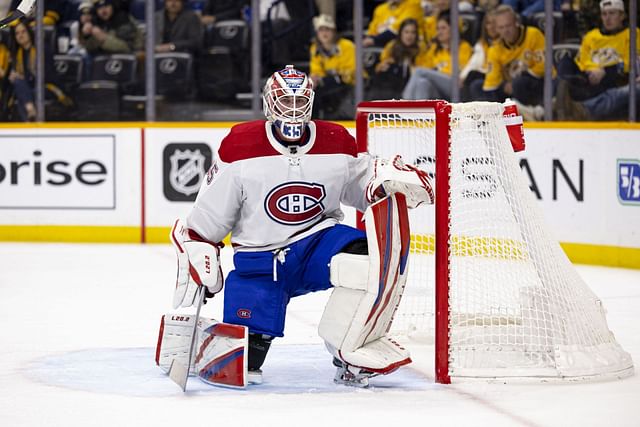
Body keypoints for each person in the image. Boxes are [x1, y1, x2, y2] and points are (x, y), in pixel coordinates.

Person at [159, 65, 434, 388]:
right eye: (284, 101)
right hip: (261, 260)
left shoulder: (335, 139)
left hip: (318, 244)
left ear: (311, 102)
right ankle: (206, 344)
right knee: (243, 366)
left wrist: (384, 182)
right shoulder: (241, 146)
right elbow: (211, 213)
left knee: (367, 257)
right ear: (268, 103)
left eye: (299, 101)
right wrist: (198, 244)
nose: (292, 109)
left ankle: (349, 349)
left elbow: (361, 185)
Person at [555, 0, 640, 119]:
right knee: (565, 59)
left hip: (614, 79)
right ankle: (556, 98)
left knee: (624, 85)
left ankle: (580, 110)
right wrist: (594, 69)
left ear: (622, 15)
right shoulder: (591, 36)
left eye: (612, 13)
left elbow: (632, 62)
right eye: (604, 14)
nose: (607, 18)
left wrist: (605, 70)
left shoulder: (633, 34)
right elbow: (582, 60)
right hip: (589, 78)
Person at [470, 5, 546, 107]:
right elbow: (491, 83)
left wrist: (516, 80)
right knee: (476, 86)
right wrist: (504, 85)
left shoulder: (533, 35)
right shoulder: (495, 49)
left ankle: (529, 112)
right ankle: (492, 117)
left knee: (519, 83)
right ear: (496, 29)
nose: (505, 31)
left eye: (508, 26)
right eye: (501, 27)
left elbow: (543, 67)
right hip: (509, 88)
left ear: (516, 23)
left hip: (535, 84)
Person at [5, 19, 70, 121]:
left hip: (46, 86)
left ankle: (28, 122)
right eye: (17, 33)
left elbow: (47, 75)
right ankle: (30, 111)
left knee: (27, 93)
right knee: (18, 84)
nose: (20, 35)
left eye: (23, 32)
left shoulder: (42, 49)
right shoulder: (16, 54)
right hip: (26, 88)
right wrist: (12, 76)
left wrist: (24, 78)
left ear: (29, 32)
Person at [402, 12, 473, 101]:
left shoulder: (463, 46)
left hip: (455, 86)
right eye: (438, 29)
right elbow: (425, 66)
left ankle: (404, 101)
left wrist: (437, 72)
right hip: (439, 90)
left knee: (419, 72)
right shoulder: (434, 48)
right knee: (422, 83)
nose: (439, 32)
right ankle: (420, 113)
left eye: (443, 28)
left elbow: (459, 70)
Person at [308, 14, 355, 120]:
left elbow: (350, 72)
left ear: (334, 31)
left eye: (327, 29)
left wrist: (326, 78)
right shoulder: (315, 48)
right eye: (321, 30)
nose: (324, 33)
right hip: (329, 83)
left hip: (349, 84)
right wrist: (314, 78)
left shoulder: (346, 46)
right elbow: (316, 69)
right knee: (310, 90)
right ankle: (312, 122)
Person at [368, 18, 427, 100]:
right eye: (406, 32)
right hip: (392, 84)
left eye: (413, 32)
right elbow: (380, 66)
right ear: (400, 33)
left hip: (412, 84)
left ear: (416, 35)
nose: (409, 36)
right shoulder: (392, 46)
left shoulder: (421, 48)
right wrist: (382, 66)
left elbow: (423, 69)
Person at [460, 9, 499, 101]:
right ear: (485, 26)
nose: (492, 27)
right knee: (470, 76)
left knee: (474, 80)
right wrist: (462, 77)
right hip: (485, 74)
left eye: (495, 23)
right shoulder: (482, 44)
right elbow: (473, 63)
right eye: (488, 23)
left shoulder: (504, 43)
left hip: (498, 76)